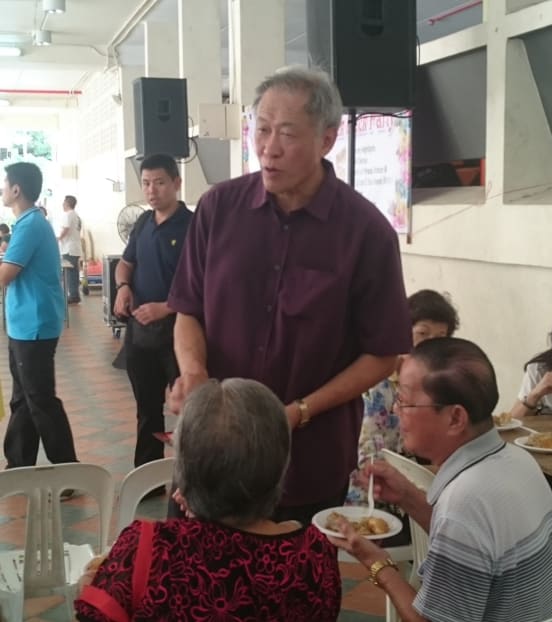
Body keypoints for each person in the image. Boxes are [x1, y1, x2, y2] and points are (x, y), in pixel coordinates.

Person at [167, 65, 411, 523]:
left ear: (326, 139)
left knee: (290, 587)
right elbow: (188, 309)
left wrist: (298, 412)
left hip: (306, 459)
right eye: (261, 130)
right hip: (211, 449)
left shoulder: (366, 234)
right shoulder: (219, 209)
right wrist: (195, 375)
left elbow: (384, 354)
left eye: (287, 134)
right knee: (190, 583)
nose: (268, 148)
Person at [330, 337, 552, 622]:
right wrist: (408, 496)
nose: (396, 411)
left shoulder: (465, 500)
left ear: (456, 418)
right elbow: (478, 542)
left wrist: (377, 564)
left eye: (405, 401)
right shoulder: (519, 460)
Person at [74, 378, 341, 621]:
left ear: (184, 470)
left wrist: (86, 591)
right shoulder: (314, 554)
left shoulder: (147, 547)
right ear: (280, 467)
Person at [114, 154, 191, 481]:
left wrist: (166, 306)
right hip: (140, 333)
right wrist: (122, 287)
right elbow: (126, 262)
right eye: (146, 183)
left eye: (159, 182)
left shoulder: (193, 226)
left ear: (176, 183)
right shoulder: (143, 223)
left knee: (188, 409)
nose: (152, 190)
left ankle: (191, 479)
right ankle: (147, 479)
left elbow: (202, 282)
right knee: (147, 410)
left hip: (180, 333)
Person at [345, 289, 459, 508]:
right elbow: (366, 443)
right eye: (423, 334)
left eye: (440, 336)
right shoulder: (378, 378)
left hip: (412, 486)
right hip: (366, 487)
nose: (430, 344)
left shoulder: (441, 383)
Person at [0, 162, 78, 474]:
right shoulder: (27, 224)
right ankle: (19, 465)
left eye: (5, 184)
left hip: (34, 326)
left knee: (40, 400)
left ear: (17, 189)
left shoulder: (31, 224)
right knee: (23, 399)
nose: (2, 189)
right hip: (24, 325)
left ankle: (70, 472)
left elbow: (6, 273)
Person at [57, 194, 82, 304]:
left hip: (69, 248)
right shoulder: (76, 215)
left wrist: (58, 238)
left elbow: (66, 228)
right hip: (75, 248)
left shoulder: (68, 215)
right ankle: (75, 294)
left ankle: (73, 296)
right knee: (74, 273)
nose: (62, 204)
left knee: (70, 273)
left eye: (64, 202)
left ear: (67, 203)